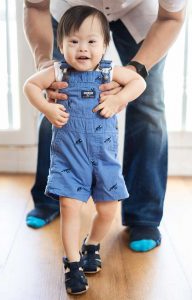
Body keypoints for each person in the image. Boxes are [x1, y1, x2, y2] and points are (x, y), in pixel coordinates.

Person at [24, 0, 186, 252]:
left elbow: (171, 18)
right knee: (58, 98)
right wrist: (45, 64)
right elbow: (35, 7)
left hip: (141, 16)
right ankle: (51, 200)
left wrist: (134, 73)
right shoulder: (71, 46)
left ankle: (143, 216)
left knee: (148, 106)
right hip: (71, 16)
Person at [24, 5, 146, 294]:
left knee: (108, 210)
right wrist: (47, 108)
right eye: (74, 41)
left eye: (92, 41)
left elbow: (139, 81)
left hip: (104, 159)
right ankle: (73, 264)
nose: (83, 48)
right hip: (70, 158)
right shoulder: (57, 71)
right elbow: (30, 86)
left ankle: (91, 245)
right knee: (69, 208)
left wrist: (119, 101)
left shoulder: (109, 72)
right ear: (61, 44)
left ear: (104, 45)